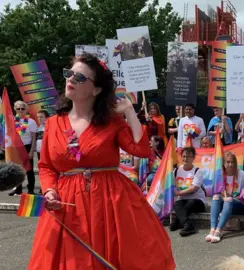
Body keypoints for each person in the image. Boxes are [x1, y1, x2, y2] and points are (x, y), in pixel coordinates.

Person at [28, 53, 174, 269]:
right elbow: (47, 166)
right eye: (69, 74)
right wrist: (49, 191)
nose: (70, 79)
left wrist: (129, 114)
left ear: (96, 90)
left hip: (109, 202)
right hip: (67, 203)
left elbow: (141, 150)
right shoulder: (52, 123)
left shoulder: (112, 122)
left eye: (79, 78)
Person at [206, 152, 244, 243]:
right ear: (224, 163)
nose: (230, 165)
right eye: (228, 162)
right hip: (225, 202)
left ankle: (219, 231)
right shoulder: (219, 174)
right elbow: (217, 192)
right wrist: (223, 198)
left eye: (233, 162)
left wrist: (229, 198)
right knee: (216, 197)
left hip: (238, 203)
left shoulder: (242, 174)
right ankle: (212, 229)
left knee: (229, 200)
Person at [171, 147, 206, 236]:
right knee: (177, 204)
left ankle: (179, 221)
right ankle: (187, 224)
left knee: (190, 202)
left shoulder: (197, 171)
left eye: (188, 156)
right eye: (184, 156)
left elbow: (193, 188)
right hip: (183, 201)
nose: (185, 159)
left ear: (193, 158)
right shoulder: (176, 171)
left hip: (198, 201)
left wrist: (178, 193)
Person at [9, 100, 37, 196]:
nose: (20, 110)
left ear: (26, 110)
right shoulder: (11, 120)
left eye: (23, 108)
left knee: (29, 169)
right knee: (16, 169)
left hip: (27, 147)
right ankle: (18, 189)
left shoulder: (31, 121)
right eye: (18, 108)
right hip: (16, 147)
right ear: (14, 109)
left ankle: (31, 189)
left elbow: (34, 137)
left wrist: (32, 150)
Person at [35, 110, 49, 194]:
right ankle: (42, 186)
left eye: (41, 117)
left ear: (46, 118)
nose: (39, 119)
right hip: (39, 151)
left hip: (47, 152)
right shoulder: (39, 127)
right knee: (42, 170)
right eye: (38, 117)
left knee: (48, 170)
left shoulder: (49, 127)